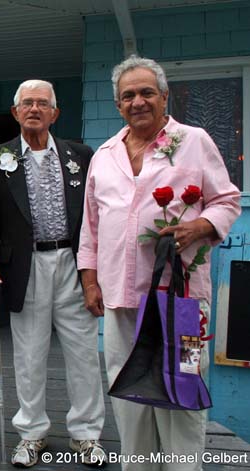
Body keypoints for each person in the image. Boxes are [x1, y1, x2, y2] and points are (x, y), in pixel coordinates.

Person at [78, 55, 241, 470]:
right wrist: (90, 282)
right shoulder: (105, 154)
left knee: (182, 390)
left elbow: (226, 199)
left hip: (180, 300)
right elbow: (91, 228)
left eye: (147, 92)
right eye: (128, 95)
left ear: (164, 97)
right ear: (118, 105)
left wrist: (199, 226)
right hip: (119, 300)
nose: (138, 101)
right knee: (128, 393)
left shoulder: (194, 140)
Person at [0, 79, 107, 468]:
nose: (34, 109)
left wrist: (93, 270)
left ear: (55, 113)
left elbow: (95, 215)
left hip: (72, 263)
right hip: (24, 267)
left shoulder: (80, 154)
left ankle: (86, 435)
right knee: (29, 355)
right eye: (26, 103)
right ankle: (31, 433)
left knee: (83, 353)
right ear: (15, 112)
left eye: (42, 103)